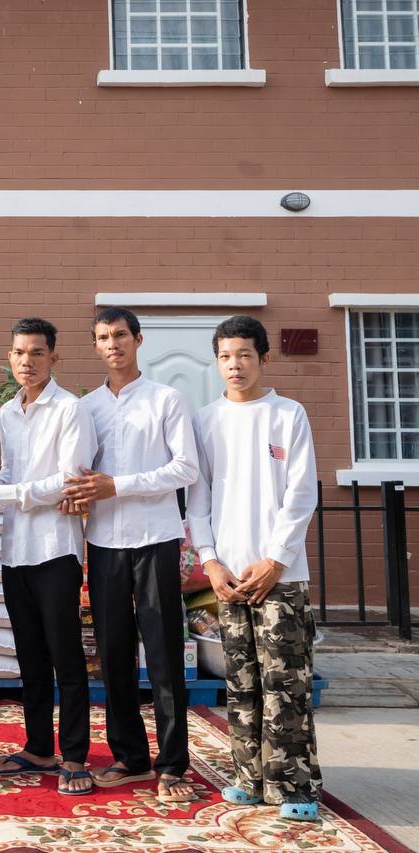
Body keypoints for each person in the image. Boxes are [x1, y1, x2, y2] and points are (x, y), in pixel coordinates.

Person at [60, 307, 200, 803]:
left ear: (138, 340)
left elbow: (185, 468)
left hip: (155, 539)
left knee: (162, 653)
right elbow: (78, 471)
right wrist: (75, 493)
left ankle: (173, 764)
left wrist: (118, 485)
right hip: (104, 543)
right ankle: (130, 757)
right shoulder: (87, 407)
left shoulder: (166, 399)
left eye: (120, 335)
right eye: (103, 337)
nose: (112, 344)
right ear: (95, 345)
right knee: (114, 653)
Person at [186, 315, 322, 822]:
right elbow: (198, 499)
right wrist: (210, 562)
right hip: (228, 576)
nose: (235, 365)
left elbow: (301, 494)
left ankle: (295, 786)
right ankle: (249, 778)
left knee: (286, 682)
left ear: (264, 358)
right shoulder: (205, 420)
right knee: (241, 684)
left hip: (280, 575)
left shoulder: (288, 414)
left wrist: (276, 560)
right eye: (225, 356)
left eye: (244, 354)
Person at [0, 317, 97, 796]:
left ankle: (74, 756)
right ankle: (38, 747)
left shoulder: (71, 409)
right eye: (19, 352)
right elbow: (11, 472)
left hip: (55, 549)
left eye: (37, 353)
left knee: (65, 656)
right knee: (30, 656)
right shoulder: (9, 411)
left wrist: (3, 494)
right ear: (10, 357)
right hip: (15, 550)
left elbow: (68, 481)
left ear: (54, 357)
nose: (27, 361)